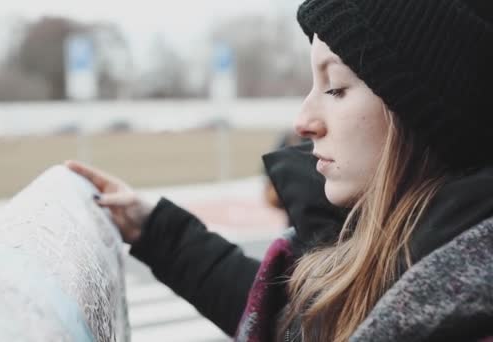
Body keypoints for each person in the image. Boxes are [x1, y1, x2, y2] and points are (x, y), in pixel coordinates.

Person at [66, 0, 493, 340]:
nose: (303, 121)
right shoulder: (378, 253)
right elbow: (291, 318)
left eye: (336, 88)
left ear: (422, 113)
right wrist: (156, 230)